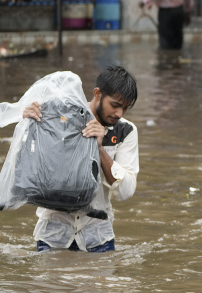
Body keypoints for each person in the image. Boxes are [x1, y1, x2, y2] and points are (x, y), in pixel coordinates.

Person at [21, 66, 139, 252]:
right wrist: (29, 123)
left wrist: (99, 148)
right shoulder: (59, 116)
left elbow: (125, 191)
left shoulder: (126, 131)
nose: (119, 114)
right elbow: (31, 168)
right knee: (47, 283)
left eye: (125, 108)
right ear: (97, 94)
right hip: (53, 233)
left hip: (98, 236)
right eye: (115, 105)